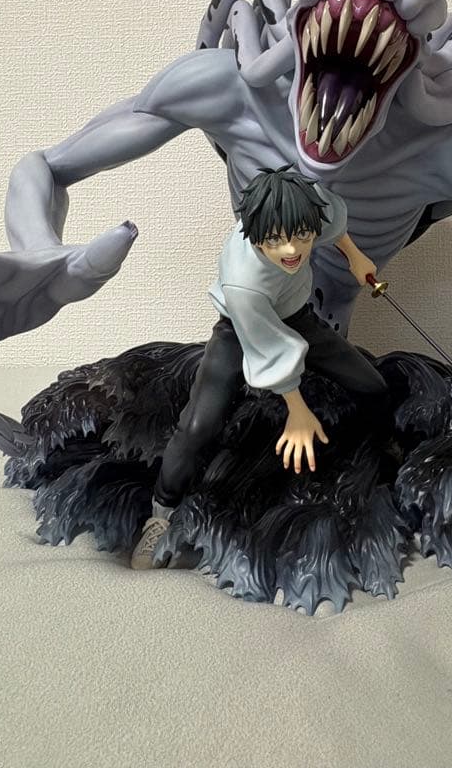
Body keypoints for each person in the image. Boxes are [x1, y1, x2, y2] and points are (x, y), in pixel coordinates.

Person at [131, 164, 388, 569]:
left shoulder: (307, 208)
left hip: (298, 315)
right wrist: (297, 410)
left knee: (372, 386)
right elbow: (267, 348)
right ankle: (161, 514)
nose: (291, 251)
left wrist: (355, 257)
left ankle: (372, 464)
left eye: (302, 237)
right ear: (255, 235)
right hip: (238, 328)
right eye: (275, 241)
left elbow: (333, 223)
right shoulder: (244, 281)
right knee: (198, 425)